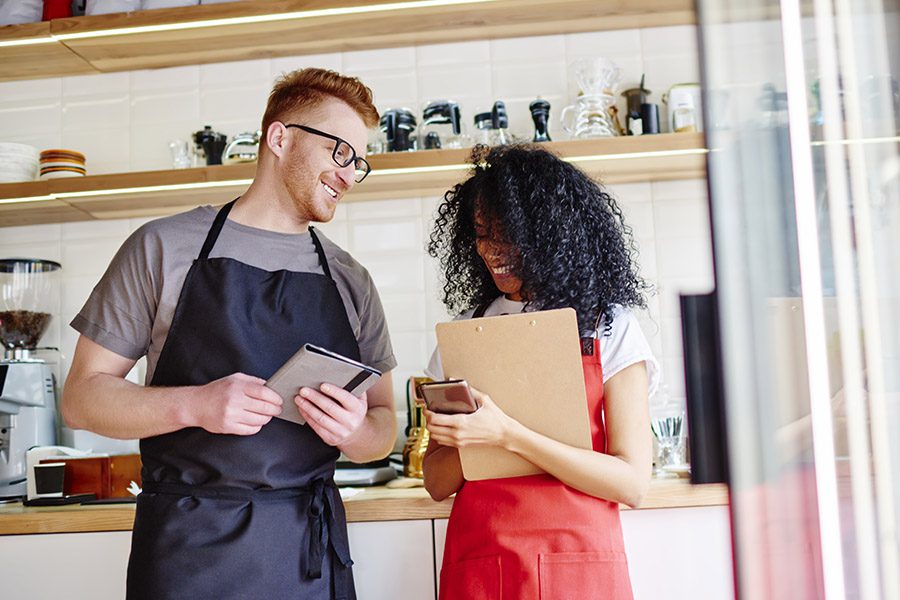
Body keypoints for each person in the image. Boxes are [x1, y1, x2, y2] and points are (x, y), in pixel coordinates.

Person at [61, 68, 397, 600]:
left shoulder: (350, 279)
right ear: (279, 138)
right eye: (339, 152)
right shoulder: (163, 247)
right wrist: (194, 406)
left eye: (359, 162)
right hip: (189, 552)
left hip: (309, 558)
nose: (350, 174)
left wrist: (352, 431)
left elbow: (384, 429)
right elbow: (81, 399)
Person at [423, 144, 659, 599]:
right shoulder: (464, 335)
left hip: (579, 565)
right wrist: (463, 439)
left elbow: (632, 483)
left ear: (553, 233)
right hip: (482, 564)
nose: (492, 249)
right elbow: (437, 483)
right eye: (481, 233)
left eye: (509, 233)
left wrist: (506, 434)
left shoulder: (607, 327)